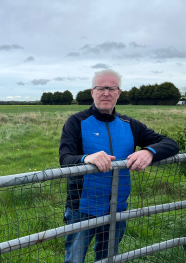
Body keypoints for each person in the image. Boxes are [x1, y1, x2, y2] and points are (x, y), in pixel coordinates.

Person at [59, 69, 179, 263]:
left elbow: (171, 143)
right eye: (101, 88)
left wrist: (149, 151)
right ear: (92, 92)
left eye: (111, 88)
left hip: (117, 208)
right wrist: (86, 158)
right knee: (75, 259)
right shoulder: (76, 122)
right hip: (81, 208)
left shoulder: (130, 124)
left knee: (108, 258)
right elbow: (65, 158)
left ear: (119, 93)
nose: (106, 93)